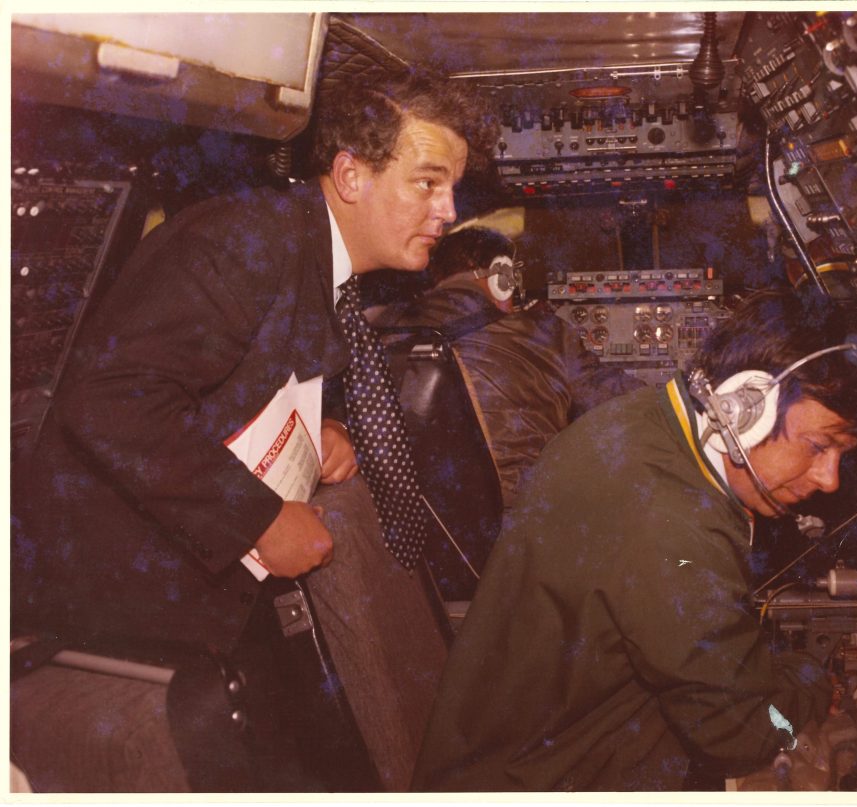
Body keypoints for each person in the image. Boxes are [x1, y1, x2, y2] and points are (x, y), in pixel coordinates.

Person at [11, 69, 496, 790]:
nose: (447, 210)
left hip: (204, 579)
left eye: (451, 188)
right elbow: (111, 397)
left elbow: (229, 376)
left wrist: (323, 424)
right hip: (118, 593)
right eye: (427, 183)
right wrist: (258, 518)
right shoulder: (245, 241)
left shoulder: (310, 254)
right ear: (351, 175)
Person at [412, 289, 857, 791]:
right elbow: (745, 732)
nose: (830, 478)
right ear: (748, 407)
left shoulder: (640, 423)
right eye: (819, 446)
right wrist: (810, 686)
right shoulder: (676, 524)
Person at [370, 226, 645, 507]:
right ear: (503, 278)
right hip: (518, 514)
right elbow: (616, 401)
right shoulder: (546, 333)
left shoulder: (381, 327)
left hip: (424, 517)